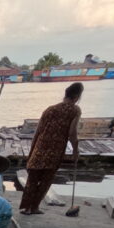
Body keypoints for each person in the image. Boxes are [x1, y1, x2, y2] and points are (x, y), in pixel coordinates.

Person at [19, 82, 83, 215]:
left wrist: (32, 150)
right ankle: (34, 207)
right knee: (46, 180)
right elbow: (72, 133)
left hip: (39, 148)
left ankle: (27, 208)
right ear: (77, 97)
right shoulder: (75, 110)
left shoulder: (50, 109)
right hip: (55, 150)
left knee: (32, 180)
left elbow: (38, 131)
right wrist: (75, 150)